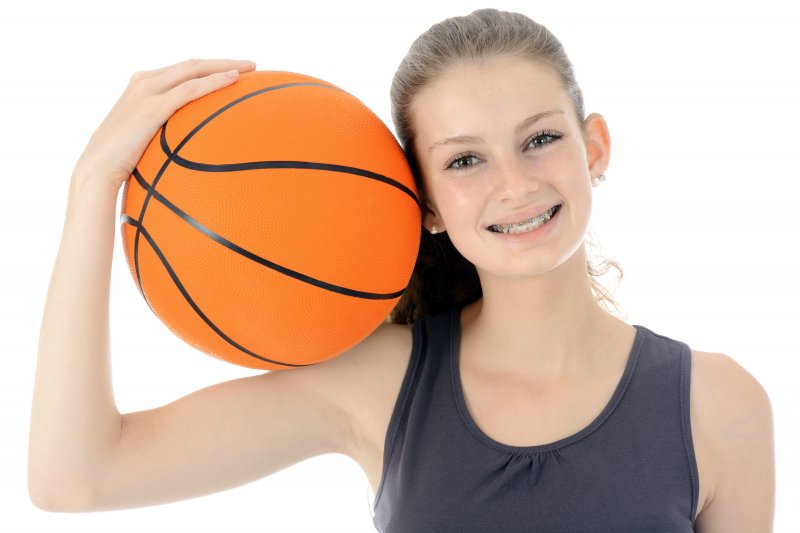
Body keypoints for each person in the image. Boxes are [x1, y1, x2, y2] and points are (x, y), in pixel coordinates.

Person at [28, 8, 774, 532]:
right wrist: (93, 182)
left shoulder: (719, 405)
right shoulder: (379, 384)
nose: (514, 184)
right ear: (427, 204)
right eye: (465, 159)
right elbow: (75, 477)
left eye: (541, 138)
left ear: (596, 147)